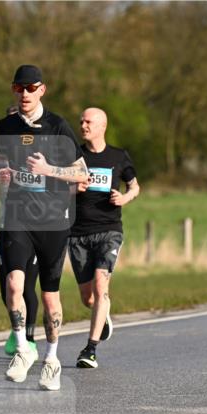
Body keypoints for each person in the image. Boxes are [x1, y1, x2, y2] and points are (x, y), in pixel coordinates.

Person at [0, 65, 87, 391]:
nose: (25, 94)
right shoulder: (4, 126)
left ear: (42, 90)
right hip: (17, 216)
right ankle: (22, 348)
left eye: (31, 88)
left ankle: (52, 359)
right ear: (14, 90)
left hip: (52, 220)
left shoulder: (58, 126)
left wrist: (48, 169)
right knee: (14, 284)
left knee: (50, 298)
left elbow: (81, 175)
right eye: (19, 88)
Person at [72, 108, 139, 368]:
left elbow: (135, 186)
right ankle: (103, 316)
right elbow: (57, 187)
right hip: (77, 233)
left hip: (109, 230)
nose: (83, 125)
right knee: (88, 298)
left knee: (102, 287)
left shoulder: (118, 156)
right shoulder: (74, 156)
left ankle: (90, 350)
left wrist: (124, 197)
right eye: (81, 121)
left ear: (102, 126)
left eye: (88, 121)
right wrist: (72, 187)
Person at [0, 106, 39, 358]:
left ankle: (29, 338)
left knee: (27, 287)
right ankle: (16, 328)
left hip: (33, 224)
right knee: (6, 287)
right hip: (5, 223)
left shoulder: (33, 147)